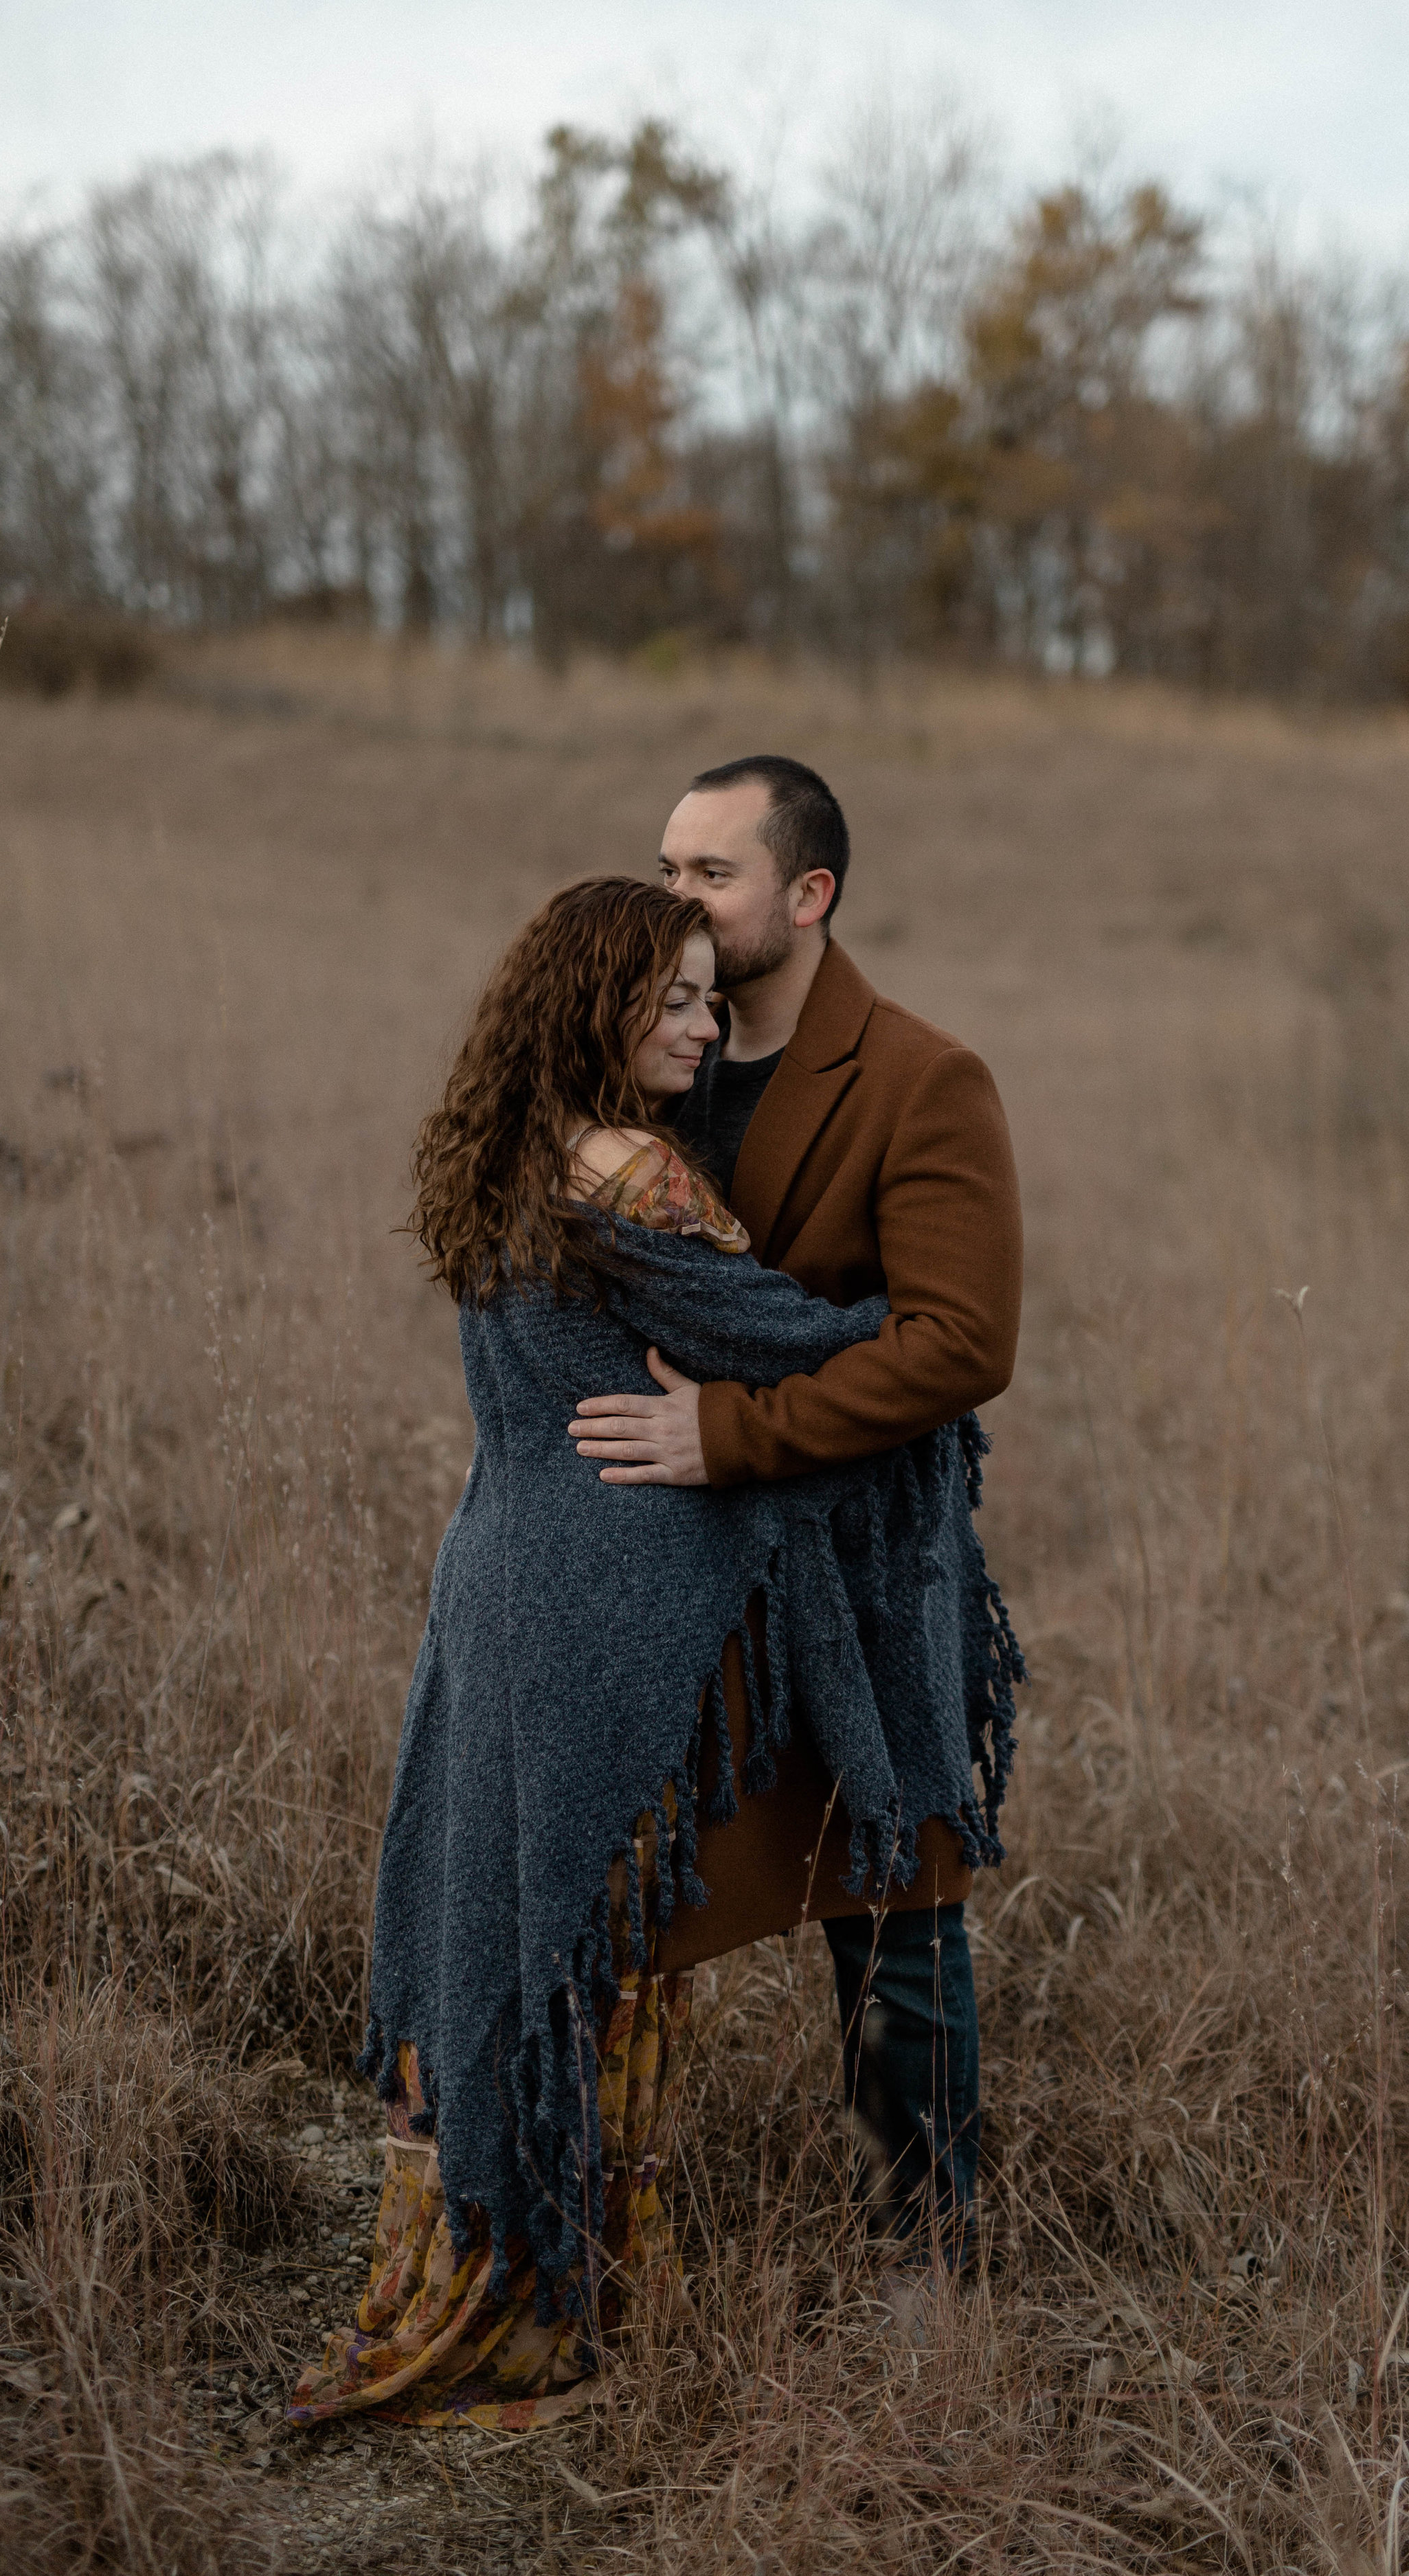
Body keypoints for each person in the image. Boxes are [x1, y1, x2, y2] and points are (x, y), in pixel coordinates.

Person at [288, 877, 1020, 2432]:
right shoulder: (638, 1175)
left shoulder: (515, 1142)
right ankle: (550, 2312)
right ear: (598, 1007)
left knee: (512, 1925)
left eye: (708, 991)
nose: (700, 1022)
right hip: (601, 1606)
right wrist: (912, 1322)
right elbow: (836, 1350)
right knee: (588, 1960)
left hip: (500, 1576)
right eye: (672, 998)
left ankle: (483, 2277)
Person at [567, 756, 1024, 2278]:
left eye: (711, 873)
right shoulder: (634, 1063)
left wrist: (733, 1431)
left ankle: (927, 2260)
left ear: (806, 893)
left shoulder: (918, 1077)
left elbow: (960, 1344)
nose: (675, 896)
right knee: (614, 1887)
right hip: (663, 1561)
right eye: (666, 864)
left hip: (858, 1561)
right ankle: (587, 2232)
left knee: (890, 1899)